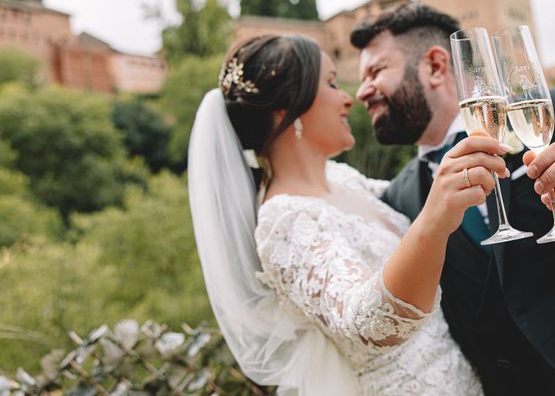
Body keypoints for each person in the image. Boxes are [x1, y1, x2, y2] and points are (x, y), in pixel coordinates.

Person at [351, 3, 555, 395]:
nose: (362, 90)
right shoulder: (400, 197)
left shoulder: (547, 115)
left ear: (435, 66)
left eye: (376, 71)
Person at [188, 33, 509, 395]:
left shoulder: (343, 179)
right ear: (288, 106)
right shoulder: (284, 220)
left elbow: (419, 192)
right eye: (331, 83)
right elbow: (367, 324)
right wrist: (433, 223)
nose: (347, 99)